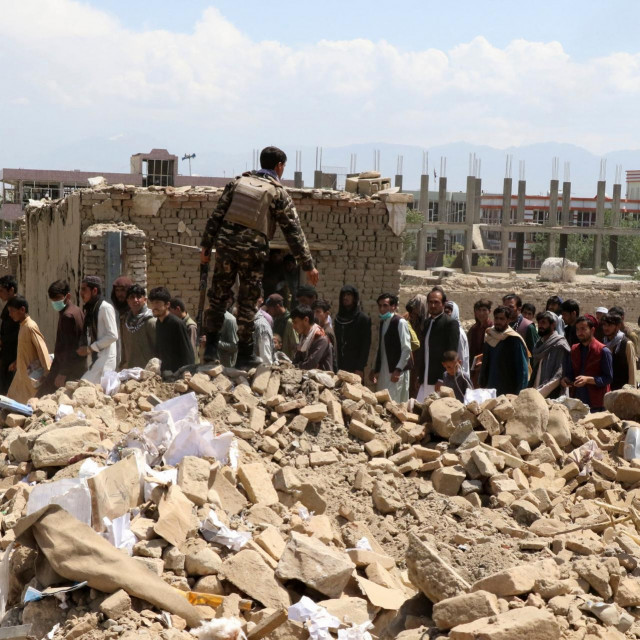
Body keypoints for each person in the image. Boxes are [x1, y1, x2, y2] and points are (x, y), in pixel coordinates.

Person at [200, 145, 318, 369]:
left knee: (218, 296)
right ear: (279, 166)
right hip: (252, 252)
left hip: (225, 247)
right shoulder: (277, 192)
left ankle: (211, 349)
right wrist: (308, 265)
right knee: (247, 301)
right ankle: (245, 354)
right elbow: (293, 232)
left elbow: (216, 216)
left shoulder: (237, 183)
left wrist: (206, 247)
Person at [38, 280, 86, 396]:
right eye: (53, 300)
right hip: (75, 367)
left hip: (66, 370)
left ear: (67, 296)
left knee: (41, 398)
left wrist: (63, 373)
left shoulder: (67, 316)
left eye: (57, 299)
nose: (55, 302)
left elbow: (70, 347)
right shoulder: (77, 310)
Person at [416, 287, 459, 402]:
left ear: (443, 304)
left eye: (436, 302)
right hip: (425, 378)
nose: (433, 305)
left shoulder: (450, 323)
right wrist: (420, 376)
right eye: (430, 302)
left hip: (438, 381)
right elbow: (424, 351)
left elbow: (451, 354)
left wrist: (442, 378)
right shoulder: (427, 322)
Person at [562, 315, 613, 412]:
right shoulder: (574, 349)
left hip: (597, 403)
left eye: (583, 329)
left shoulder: (603, 351)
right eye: (577, 329)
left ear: (592, 330)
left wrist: (588, 380)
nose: (579, 333)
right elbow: (570, 373)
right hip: (577, 401)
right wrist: (566, 379)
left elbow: (608, 378)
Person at [6, 296, 51, 404]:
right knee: (11, 401)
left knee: (29, 404)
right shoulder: (22, 326)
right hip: (21, 375)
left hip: (31, 376)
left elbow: (42, 349)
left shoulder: (30, 326)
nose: (10, 314)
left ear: (22, 309)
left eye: (12, 311)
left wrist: (47, 372)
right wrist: (17, 362)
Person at [370, 293, 412, 402]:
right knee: (382, 401)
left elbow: (406, 349)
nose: (382, 309)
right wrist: (374, 368)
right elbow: (380, 347)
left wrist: (398, 370)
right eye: (380, 306)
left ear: (393, 306)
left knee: (394, 403)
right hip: (384, 371)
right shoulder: (383, 322)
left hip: (396, 372)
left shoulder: (400, 322)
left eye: (385, 305)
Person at [478, 305, 529, 396]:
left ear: (508, 320)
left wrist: (519, 394)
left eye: (502, 319)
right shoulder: (490, 335)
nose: (498, 321)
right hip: (490, 388)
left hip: (508, 390)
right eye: (496, 318)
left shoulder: (514, 339)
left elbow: (522, 370)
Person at [78, 276, 118, 384]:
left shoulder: (105, 308)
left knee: (84, 387)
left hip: (105, 360)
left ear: (94, 291)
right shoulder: (91, 309)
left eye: (84, 289)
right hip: (95, 360)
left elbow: (113, 335)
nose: (81, 293)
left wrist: (90, 348)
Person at [148, 286, 195, 373]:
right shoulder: (158, 323)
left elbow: (187, 353)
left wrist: (187, 374)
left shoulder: (177, 323)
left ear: (167, 305)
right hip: (164, 373)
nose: (154, 306)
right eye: (152, 303)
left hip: (177, 374)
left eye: (157, 302)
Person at [334, 285, 372, 381]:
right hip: (340, 365)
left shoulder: (363, 319)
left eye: (348, 295)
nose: (345, 297)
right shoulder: (338, 319)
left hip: (355, 367)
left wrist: (360, 368)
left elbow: (365, 345)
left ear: (354, 298)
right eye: (343, 295)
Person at [529, 311, 570, 399]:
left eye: (544, 322)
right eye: (539, 323)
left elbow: (559, 375)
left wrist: (540, 393)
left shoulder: (559, 344)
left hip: (552, 393)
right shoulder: (539, 344)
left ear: (553, 325)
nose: (540, 326)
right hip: (536, 387)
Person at [121, 285, 156, 369]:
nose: (135, 300)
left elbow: (159, 348)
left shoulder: (151, 321)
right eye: (132, 297)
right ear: (128, 301)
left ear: (145, 300)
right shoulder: (125, 321)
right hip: (130, 369)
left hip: (148, 371)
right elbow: (124, 346)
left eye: (139, 297)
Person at [290, 305, 334, 371]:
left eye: (295, 322)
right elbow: (296, 360)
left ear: (306, 320)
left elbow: (311, 364)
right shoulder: (303, 337)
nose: (293, 326)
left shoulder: (321, 339)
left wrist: (295, 366)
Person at [601, 313, 636, 390]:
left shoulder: (627, 344)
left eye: (609, 325)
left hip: (622, 388)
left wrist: (631, 390)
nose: (606, 328)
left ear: (618, 326)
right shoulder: (603, 342)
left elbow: (632, 370)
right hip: (606, 388)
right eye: (604, 325)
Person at [0, 276, 21, 394]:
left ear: (11, 290)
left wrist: (17, 360)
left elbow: (19, 334)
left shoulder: (18, 306)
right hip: (6, 354)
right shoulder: (10, 305)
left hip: (13, 356)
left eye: (1, 291)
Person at [405, 295, 428, 398]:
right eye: (411, 312)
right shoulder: (408, 320)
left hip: (423, 362)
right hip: (411, 362)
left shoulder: (428, 324)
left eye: (415, 313)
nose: (412, 315)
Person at [265, 294, 298, 360]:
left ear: (277, 307)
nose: (269, 312)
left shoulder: (290, 322)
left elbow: (295, 345)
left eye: (270, 309)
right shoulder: (276, 320)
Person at [467, 299, 493, 386]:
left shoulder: (492, 329)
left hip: (488, 369)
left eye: (484, 310)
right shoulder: (473, 329)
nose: (481, 313)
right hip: (474, 369)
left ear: (489, 311)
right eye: (479, 310)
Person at [110, 276, 134, 367]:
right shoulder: (121, 314)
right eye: (117, 290)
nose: (120, 294)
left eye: (123, 290)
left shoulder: (135, 314)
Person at [444, 301, 470, 376]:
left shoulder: (458, 332)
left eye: (448, 312)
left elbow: (460, 358)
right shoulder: (447, 330)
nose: (445, 315)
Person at [312, 300, 336, 371]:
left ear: (327, 314)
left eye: (318, 312)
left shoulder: (327, 332)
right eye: (313, 312)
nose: (315, 315)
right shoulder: (319, 329)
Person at [218, 303, 239, 368]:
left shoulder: (230, 320)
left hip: (225, 366)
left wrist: (216, 343)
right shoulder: (209, 315)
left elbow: (234, 346)